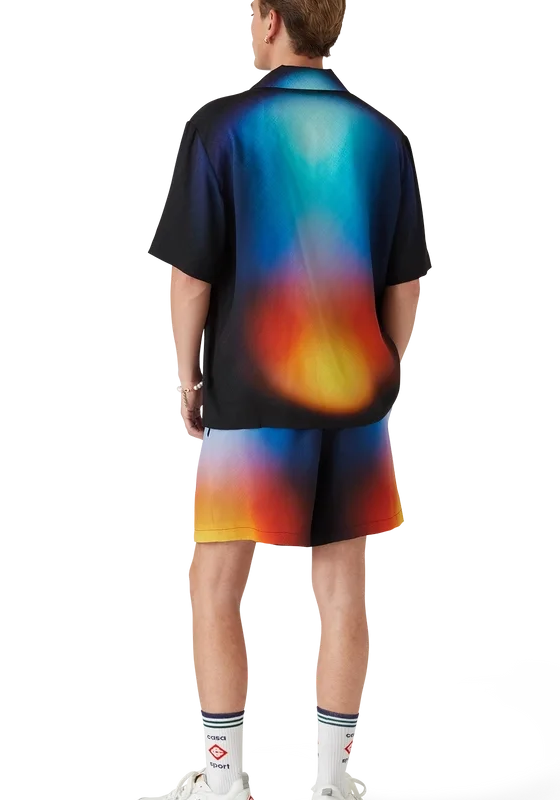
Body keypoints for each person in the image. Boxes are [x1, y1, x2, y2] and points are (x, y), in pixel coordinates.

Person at [148, 1, 430, 798]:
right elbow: (405, 283)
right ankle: (335, 778)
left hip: (250, 389)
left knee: (216, 583)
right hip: (354, 394)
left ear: (271, 21)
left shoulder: (224, 127)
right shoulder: (381, 135)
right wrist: (386, 372)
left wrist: (186, 380)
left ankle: (224, 774)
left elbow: (189, 277)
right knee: (343, 587)